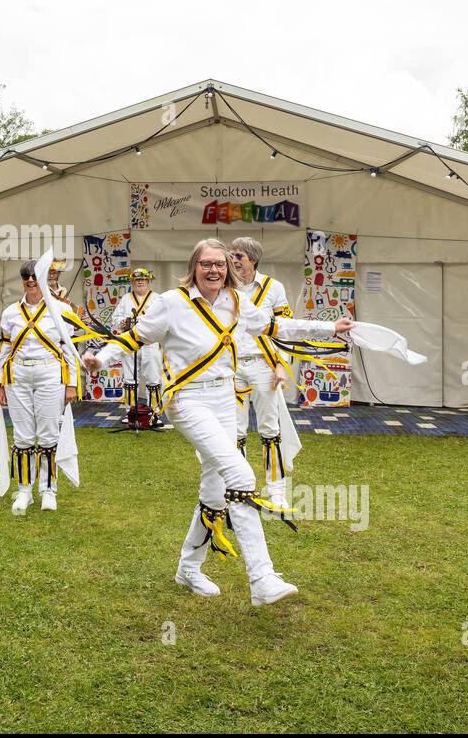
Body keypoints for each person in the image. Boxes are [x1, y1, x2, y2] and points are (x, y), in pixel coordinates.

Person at [83, 239, 353, 604]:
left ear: (228, 268)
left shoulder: (237, 302)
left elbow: (278, 327)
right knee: (241, 475)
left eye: (220, 264)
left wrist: (328, 329)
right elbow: (134, 337)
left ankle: (188, 569)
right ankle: (262, 579)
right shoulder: (171, 303)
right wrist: (101, 359)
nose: (214, 270)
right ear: (194, 266)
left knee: (213, 489)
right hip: (188, 400)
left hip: (226, 397)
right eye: (206, 263)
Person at [0, 260, 80, 514]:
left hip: (50, 373)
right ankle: (24, 490)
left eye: (34, 277)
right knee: (22, 435)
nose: (30, 281)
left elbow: (70, 349)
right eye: (26, 277)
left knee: (48, 434)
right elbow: (4, 349)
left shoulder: (61, 310)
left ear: (42, 279)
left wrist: (72, 383)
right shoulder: (10, 312)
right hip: (18, 375)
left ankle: (48, 490)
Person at [229, 237, 297, 511]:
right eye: (232, 255)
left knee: (270, 429)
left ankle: (276, 489)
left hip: (263, 365)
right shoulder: (225, 287)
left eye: (239, 256)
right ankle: (240, 484)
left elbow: (285, 328)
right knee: (234, 430)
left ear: (253, 259)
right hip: (232, 367)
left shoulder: (273, 288)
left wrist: (282, 364)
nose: (233, 260)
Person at [110, 267, 164, 425]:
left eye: (143, 280)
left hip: (150, 343)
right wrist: (123, 322)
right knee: (129, 378)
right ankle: (130, 412)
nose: (140, 282)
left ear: (148, 281)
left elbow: (163, 319)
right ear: (132, 283)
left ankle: (154, 413)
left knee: (153, 378)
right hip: (131, 342)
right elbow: (115, 318)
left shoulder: (157, 298)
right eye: (137, 280)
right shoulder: (126, 298)